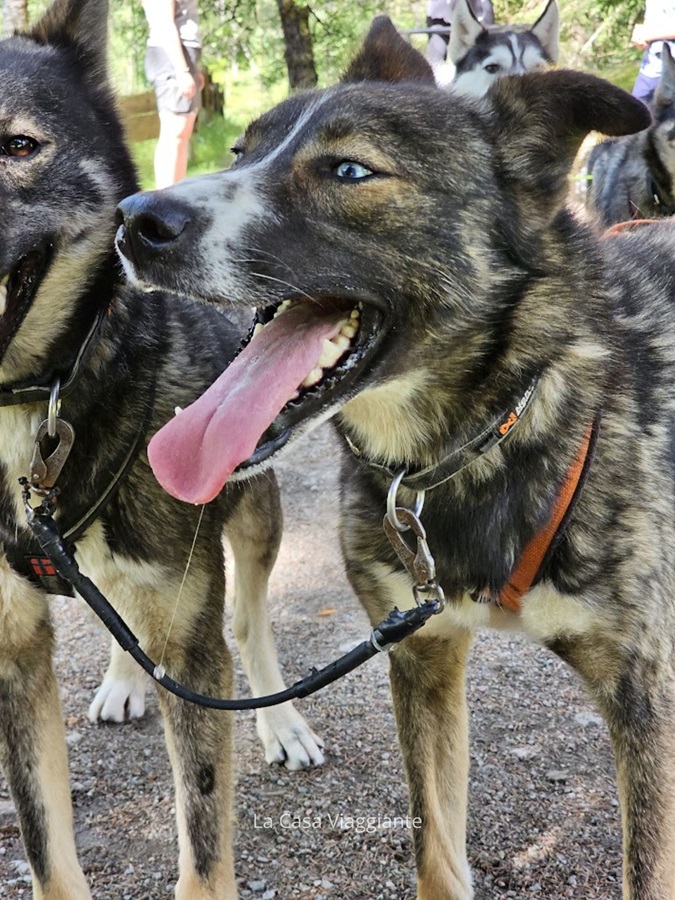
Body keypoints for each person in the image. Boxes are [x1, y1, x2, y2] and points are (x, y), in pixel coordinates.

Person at [143, 0, 202, 188]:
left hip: (182, 55)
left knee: (181, 132)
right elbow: (164, 23)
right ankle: (166, 194)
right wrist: (182, 70)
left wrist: (193, 69)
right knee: (174, 131)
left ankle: (175, 191)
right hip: (170, 57)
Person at [631, 1, 675, 104]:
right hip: (651, 67)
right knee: (635, 109)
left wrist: (649, 34)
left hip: (671, 72)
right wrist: (640, 38)